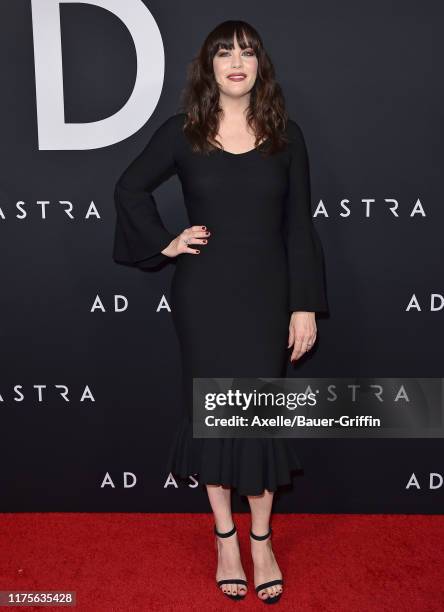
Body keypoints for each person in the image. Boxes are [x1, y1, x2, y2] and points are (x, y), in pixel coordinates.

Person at [113, 20, 328, 604]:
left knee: (256, 420)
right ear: (208, 66)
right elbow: (129, 188)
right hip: (203, 298)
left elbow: (298, 226)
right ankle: (226, 538)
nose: (237, 61)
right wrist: (166, 242)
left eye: (248, 51)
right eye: (225, 52)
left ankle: (262, 540)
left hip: (266, 298)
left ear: (261, 65)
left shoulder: (288, 137)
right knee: (213, 419)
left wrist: (304, 304)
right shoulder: (182, 134)